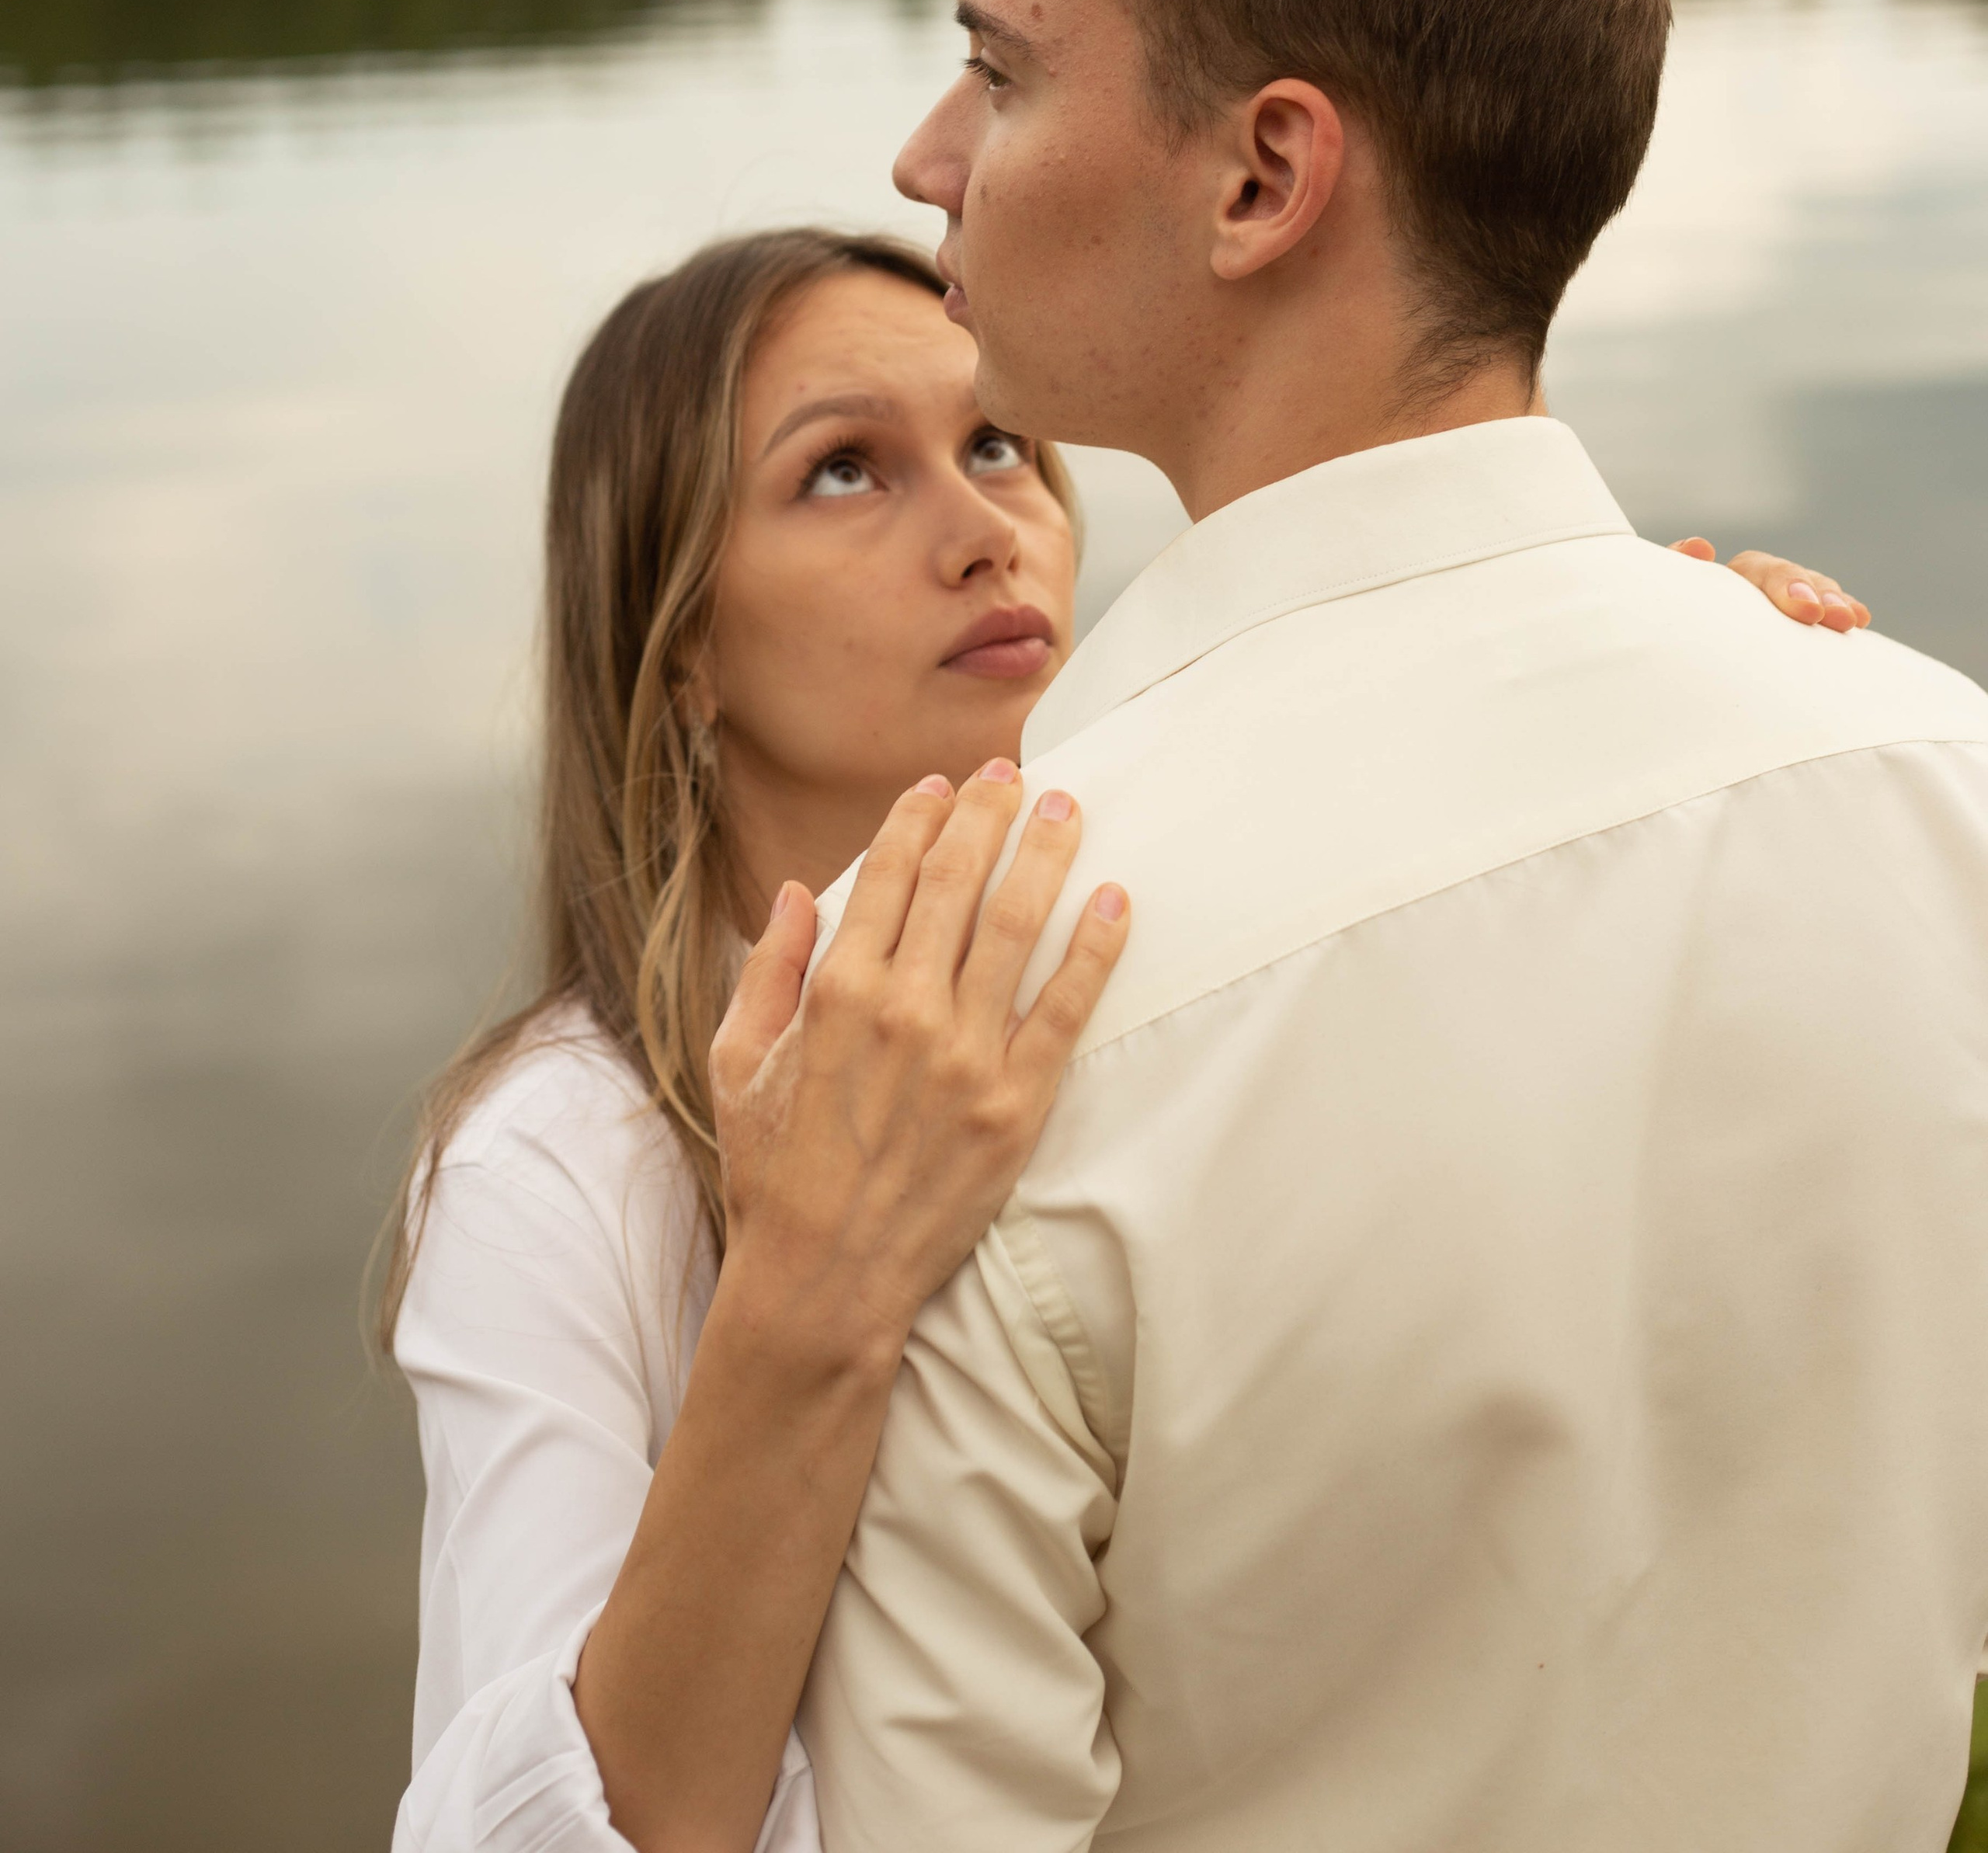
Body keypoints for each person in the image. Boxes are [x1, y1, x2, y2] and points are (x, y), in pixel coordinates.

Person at [788, 0, 1988, 1853]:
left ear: (1265, 173)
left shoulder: (976, 994)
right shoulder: (1945, 787)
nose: (925, 159)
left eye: (995, 66)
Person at [386, 220, 1857, 1853]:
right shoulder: (560, 1158)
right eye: (844, 474)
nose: (980, 532)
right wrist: (805, 1286)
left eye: (996, 445)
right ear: (679, 657)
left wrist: (1674, 695)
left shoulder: (1148, 953)